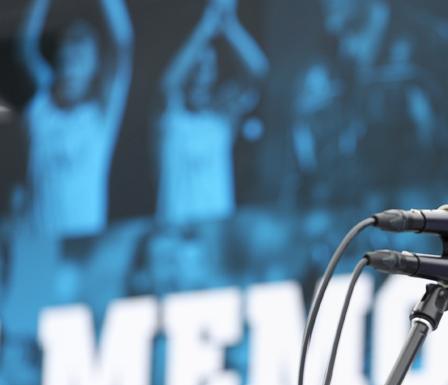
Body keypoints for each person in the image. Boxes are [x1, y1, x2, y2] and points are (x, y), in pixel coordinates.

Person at [18, 0, 132, 238]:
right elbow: (26, 46)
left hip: (83, 246)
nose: (71, 65)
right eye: (66, 56)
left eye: (80, 56)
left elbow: (122, 46)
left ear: (95, 67)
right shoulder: (41, 113)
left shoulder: (99, 116)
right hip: (38, 245)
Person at [156, 0, 268, 226]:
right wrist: (205, 28)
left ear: (215, 74)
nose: (199, 76)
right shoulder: (170, 119)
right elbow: (169, 85)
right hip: (174, 233)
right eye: (195, 67)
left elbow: (258, 71)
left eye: (207, 68)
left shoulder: (222, 120)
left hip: (217, 234)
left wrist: (230, 26)